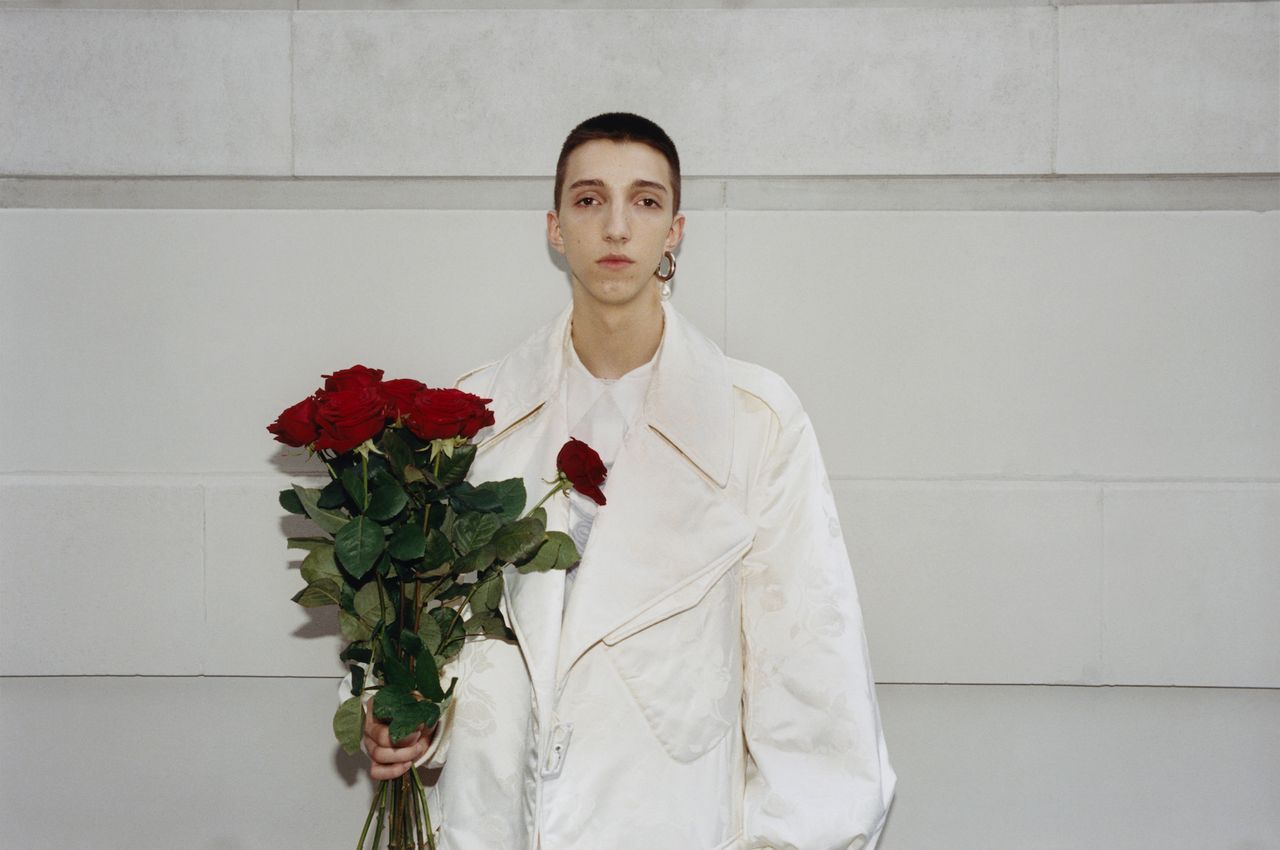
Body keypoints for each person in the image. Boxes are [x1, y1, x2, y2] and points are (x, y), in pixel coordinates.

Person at [359, 112, 896, 850]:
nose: (617, 227)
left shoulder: (754, 423)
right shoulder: (477, 418)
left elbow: (813, 691)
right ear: (555, 228)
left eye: (644, 202)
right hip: (492, 826)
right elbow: (429, 633)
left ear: (675, 231)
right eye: (589, 200)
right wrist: (396, 709)